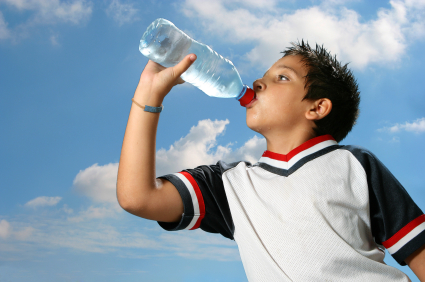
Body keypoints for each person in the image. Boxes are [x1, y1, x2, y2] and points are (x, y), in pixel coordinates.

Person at [117, 41, 425, 281]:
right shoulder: (230, 186)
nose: (258, 83)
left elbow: (419, 253)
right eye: (263, 76)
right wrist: (149, 94)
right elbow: (138, 198)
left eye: (281, 77)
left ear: (317, 108)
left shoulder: (354, 164)